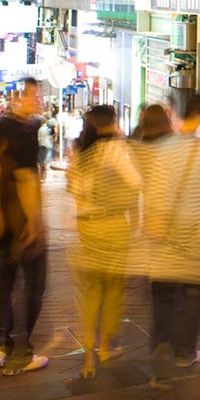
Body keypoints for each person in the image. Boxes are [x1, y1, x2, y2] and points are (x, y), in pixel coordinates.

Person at [143, 95, 200, 388]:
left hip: (165, 244)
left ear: (174, 117)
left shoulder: (161, 153)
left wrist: (153, 232)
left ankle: (162, 365)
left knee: (163, 303)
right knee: (192, 299)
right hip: (197, 240)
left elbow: (153, 200)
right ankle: (184, 354)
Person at [65, 105, 139, 380]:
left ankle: (88, 356)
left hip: (87, 227)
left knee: (91, 292)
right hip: (114, 225)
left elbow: (72, 188)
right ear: (111, 123)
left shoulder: (79, 154)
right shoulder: (114, 151)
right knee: (113, 289)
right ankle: (106, 346)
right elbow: (135, 182)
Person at [0, 78, 50, 375]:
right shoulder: (23, 133)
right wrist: (35, 225)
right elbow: (25, 181)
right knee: (33, 288)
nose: (38, 101)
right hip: (19, 226)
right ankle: (20, 353)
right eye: (34, 95)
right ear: (20, 98)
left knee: (2, 284)